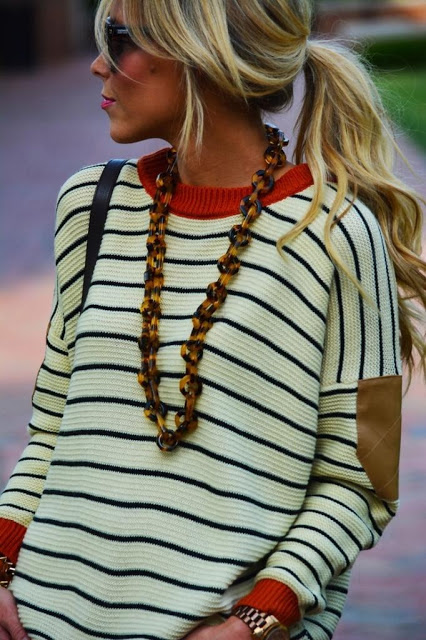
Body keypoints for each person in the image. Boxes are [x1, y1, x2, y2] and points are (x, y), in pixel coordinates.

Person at [0, 0, 425, 638]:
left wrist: (256, 620)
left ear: (203, 53)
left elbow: (362, 481)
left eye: (119, 38)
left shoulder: (335, 235)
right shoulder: (91, 205)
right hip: (43, 618)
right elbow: (54, 424)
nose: (97, 65)